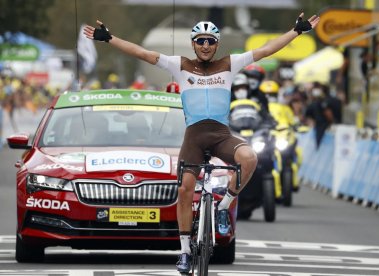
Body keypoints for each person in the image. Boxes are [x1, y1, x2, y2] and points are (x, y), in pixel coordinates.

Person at [84, 13, 319, 273]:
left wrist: (296, 31)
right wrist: (109, 39)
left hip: (221, 136)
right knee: (185, 190)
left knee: (250, 158)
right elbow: (143, 53)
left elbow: (266, 50)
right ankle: (184, 252)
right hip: (193, 138)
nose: (205, 45)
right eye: (200, 41)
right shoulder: (180, 65)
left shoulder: (230, 64)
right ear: (193, 43)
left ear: (217, 44)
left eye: (210, 41)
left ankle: (223, 207)